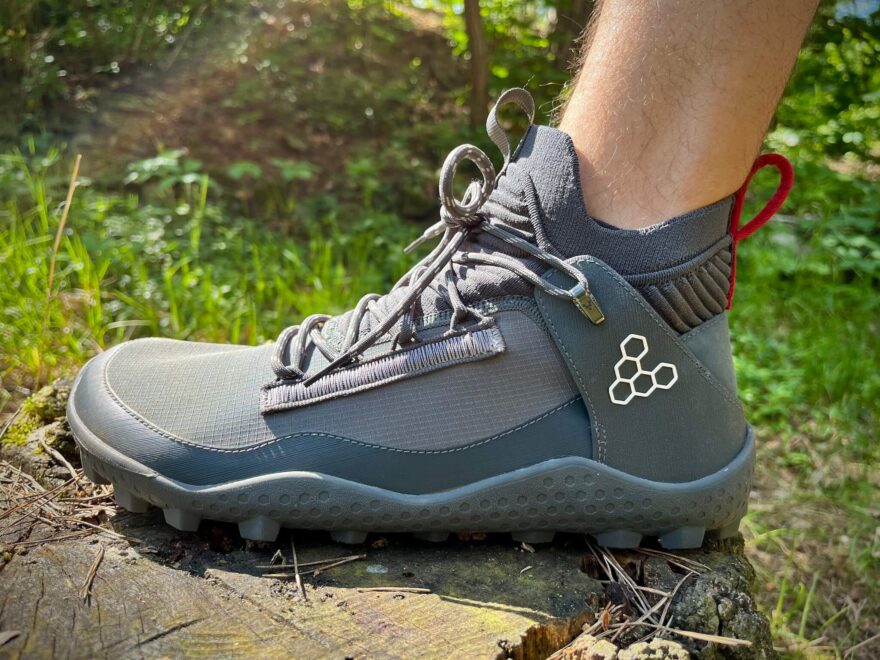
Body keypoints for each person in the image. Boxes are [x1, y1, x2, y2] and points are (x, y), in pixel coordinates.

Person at [67, 0, 818, 548]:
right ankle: (641, 330)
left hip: (612, 352)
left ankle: (583, 295)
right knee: (588, 221)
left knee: (604, 237)